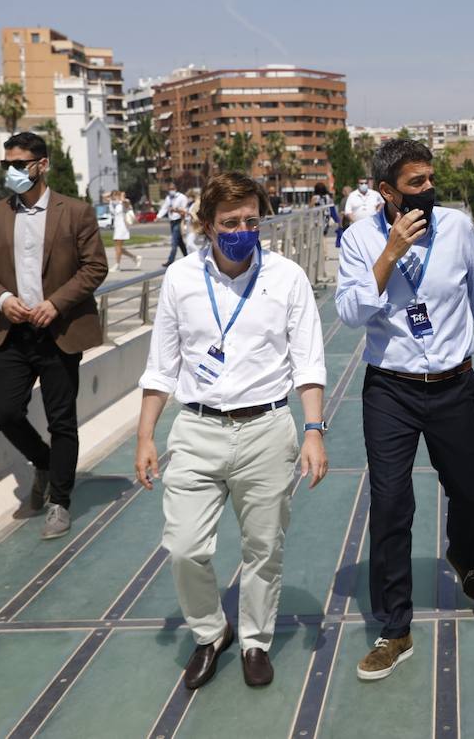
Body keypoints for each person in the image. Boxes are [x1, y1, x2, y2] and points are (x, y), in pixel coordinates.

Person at [135, 170, 330, 690]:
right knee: (184, 546)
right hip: (197, 430)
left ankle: (255, 641)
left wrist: (313, 429)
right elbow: (161, 367)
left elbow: (309, 363)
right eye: (230, 222)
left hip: (267, 427)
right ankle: (209, 631)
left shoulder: (286, 278)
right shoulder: (179, 279)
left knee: (263, 547)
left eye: (251, 220)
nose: (243, 229)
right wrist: (146, 436)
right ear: (206, 225)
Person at [336, 138, 474, 682]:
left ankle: (463, 556)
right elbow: (352, 313)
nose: (429, 191)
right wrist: (388, 255)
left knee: (469, 487)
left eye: (431, 180)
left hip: (454, 385)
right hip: (391, 390)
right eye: (415, 184)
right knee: (390, 505)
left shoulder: (457, 228)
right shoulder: (359, 239)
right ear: (386, 191)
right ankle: (395, 627)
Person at [0, 131, 108, 539]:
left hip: (60, 331)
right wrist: (3, 299)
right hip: (13, 333)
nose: (12, 171)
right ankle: (45, 463)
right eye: (7, 165)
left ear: (42, 165)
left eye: (20, 164)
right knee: (6, 412)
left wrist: (57, 303)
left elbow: (94, 267)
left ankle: (60, 502)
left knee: (61, 419)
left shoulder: (76, 211)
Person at [158, 180, 190, 266]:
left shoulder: (182, 197)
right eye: (169, 189)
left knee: (174, 241)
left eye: (172, 188)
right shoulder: (168, 198)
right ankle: (187, 257)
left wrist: (175, 210)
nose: (171, 190)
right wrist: (158, 216)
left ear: (176, 188)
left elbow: (185, 210)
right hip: (172, 221)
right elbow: (164, 208)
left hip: (179, 221)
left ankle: (170, 261)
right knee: (180, 242)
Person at [109, 190, 141, 272]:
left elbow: (126, 203)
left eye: (115, 195)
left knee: (118, 248)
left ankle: (117, 265)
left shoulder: (125, 202)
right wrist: (113, 198)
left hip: (122, 228)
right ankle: (135, 257)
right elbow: (104, 196)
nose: (113, 197)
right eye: (112, 196)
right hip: (117, 228)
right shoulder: (115, 205)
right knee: (118, 248)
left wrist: (122, 197)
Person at [336, 184, 354, 249]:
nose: (342, 193)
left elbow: (341, 213)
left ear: (346, 191)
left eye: (343, 191)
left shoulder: (344, 200)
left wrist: (340, 224)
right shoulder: (355, 198)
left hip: (346, 223)